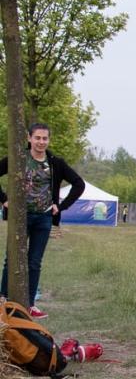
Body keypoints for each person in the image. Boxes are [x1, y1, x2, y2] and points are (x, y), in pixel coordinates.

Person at [0, 123, 85, 318]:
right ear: (29, 138)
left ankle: (29, 304)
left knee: (34, 262)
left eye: (45, 138)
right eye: (37, 138)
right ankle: (2, 300)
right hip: (20, 217)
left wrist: (60, 207)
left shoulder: (55, 162)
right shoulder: (18, 159)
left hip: (44, 218)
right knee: (12, 258)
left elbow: (79, 184)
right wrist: (5, 200)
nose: (41, 142)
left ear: (48, 140)